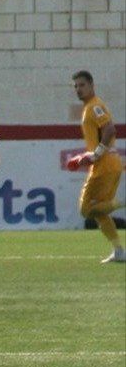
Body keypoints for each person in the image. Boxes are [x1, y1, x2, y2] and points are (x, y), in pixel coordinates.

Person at [67, 70, 124, 263]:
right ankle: (119, 251)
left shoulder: (95, 106)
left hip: (105, 164)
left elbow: (110, 130)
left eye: (82, 85)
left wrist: (96, 154)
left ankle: (123, 202)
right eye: (75, 86)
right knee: (99, 211)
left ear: (92, 85)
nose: (78, 89)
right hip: (108, 163)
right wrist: (88, 155)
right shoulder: (89, 108)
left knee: (86, 209)